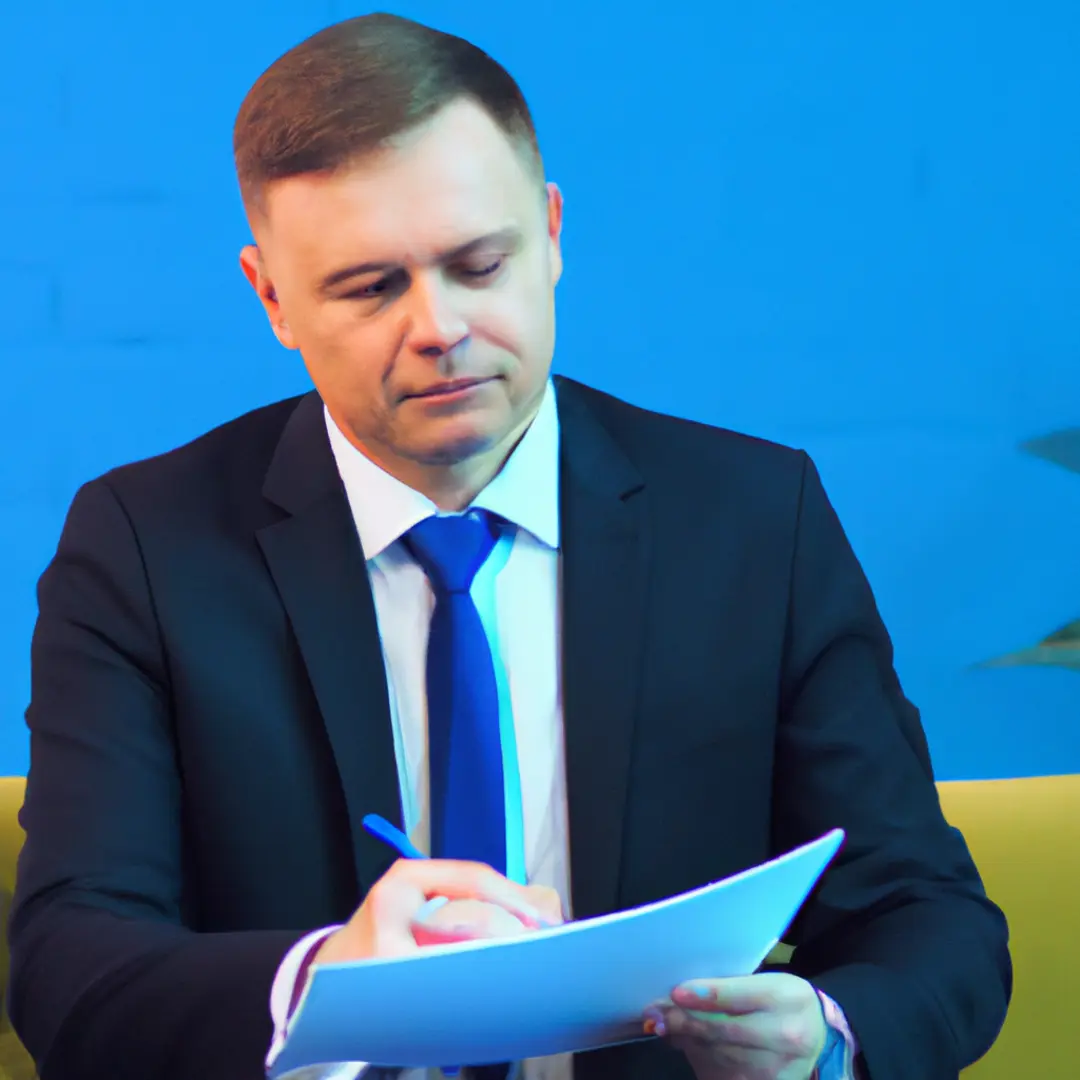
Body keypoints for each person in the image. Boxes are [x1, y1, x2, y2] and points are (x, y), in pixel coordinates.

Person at [8, 12, 1010, 1080]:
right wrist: (322, 980)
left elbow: (926, 916)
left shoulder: (756, 519)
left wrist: (827, 1038)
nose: (439, 326)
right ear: (272, 297)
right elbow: (70, 966)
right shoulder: (144, 546)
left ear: (553, 233)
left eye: (480, 263)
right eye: (370, 286)